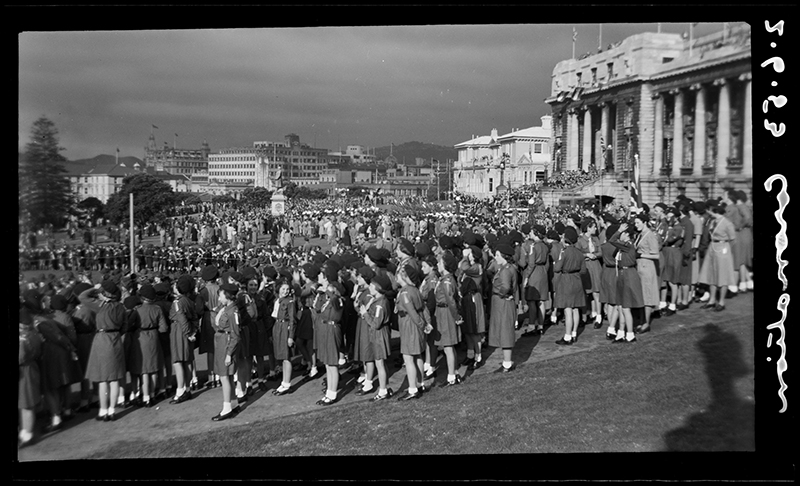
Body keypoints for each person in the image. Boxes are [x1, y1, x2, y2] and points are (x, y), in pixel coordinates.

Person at [82, 280, 127, 421]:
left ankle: (103, 410)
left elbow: (82, 297)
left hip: (101, 339)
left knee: (103, 380)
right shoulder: (120, 307)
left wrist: (94, 289)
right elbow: (124, 327)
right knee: (114, 379)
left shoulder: (100, 306)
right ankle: (112, 410)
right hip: (115, 338)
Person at [395, 264, 431, 400]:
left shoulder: (404, 293)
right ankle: (420, 383)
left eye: (398, 275)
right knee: (418, 356)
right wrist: (426, 323)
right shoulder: (414, 290)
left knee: (408, 357)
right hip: (415, 325)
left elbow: (412, 313)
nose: (396, 278)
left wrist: (423, 325)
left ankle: (412, 389)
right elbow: (423, 308)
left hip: (409, 325)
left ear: (404, 277)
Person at [128, 284, 168, 407]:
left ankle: (145, 397)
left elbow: (129, 325)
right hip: (154, 337)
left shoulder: (137, 310)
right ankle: (152, 394)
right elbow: (163, 328)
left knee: (144, 370)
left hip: (140, 338)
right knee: (154, 368)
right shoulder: (157, 309)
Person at [358, 272, 394, 401]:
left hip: (379, 336)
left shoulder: (380, 304)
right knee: (380, 363)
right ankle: (384, 388)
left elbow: (376, 324)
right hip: (377, 335)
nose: (370, 288)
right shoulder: (378, 301)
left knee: (380, 363)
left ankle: (383, 390)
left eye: (373, 286)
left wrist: (365, 314)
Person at [210, 282, 242, 421]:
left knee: (224, 376)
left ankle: (226, 407)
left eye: (221, 296)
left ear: (227, 296)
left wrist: (229, 353)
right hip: (222, 340)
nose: (219, 299)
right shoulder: (226, 309)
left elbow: (235, 335)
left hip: (226, 343)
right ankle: (233, 403)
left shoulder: (232, 311)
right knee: (227, 376)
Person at [312, 266, 345, 405]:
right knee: (327, 363)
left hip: (332, 328)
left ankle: (333, 393)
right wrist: (319, 293)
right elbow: (317, 308)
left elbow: (335, 303)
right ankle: (329, 392)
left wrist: (327, 290)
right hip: (324, 328)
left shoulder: (337, 298)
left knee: (332, 363)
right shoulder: (325, 297)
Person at [698, 203, 737, 311]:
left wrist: (726, 249)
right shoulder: (713, 221)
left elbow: (733, 239)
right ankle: (712, 300)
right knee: (711, 274)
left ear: (714, 212)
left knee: (722, 275)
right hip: (712, 247)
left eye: (710, 211)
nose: (708, 213)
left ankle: (721, 302)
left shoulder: (727, 223)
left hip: (723, 248)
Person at [607, 223, 643, 343]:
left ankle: (630, 334)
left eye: (622, 233)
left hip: (628, 275)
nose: (620, 235)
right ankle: (621, 333)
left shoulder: (628, 246)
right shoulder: (624, 247)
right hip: (623, 275)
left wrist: (619, 230)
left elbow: (611, 240)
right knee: (621, 306)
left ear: (627, 234)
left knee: (626, 307)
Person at [488, 241, 519, 370]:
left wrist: (500, 293)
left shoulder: (506, 270)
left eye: (497, 255)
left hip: (503, 302)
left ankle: (507, 362)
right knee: (504, 329)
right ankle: (506, 361)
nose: (495, 257)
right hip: (504, 302)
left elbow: (505, 287)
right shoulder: (508, 267)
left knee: (505, 330)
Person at [169, 274, 198, 404]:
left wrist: (187, 333)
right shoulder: (189, 301)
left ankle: (180, 391)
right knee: (187, 361)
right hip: (188, 330)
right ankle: (186, 388)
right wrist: (193, 332)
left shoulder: (178, 302)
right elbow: (195, 318)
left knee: (178, 361)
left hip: (179, 332)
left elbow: (181, 318)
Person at [554, 228, 586, 345]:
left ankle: (567, 336)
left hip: (566, 279)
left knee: (568, 309)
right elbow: (583, 270)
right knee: (575, 308)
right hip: (577, 279)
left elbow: (557, 268)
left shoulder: (564, 251)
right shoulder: (579, 252)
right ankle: (574, 333)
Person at [434, 255, 462, 386]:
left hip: (446, 313)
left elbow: (451, 301)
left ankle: (451, 376)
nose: (438, 264)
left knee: (448, 346)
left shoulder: (446, 281)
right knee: (449, 346)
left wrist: (456, 317)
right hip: (443, 312)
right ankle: (454, 372)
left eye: (440, 263)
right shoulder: (446, 279)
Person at [458, 245, 486, 369]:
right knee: (468, 330)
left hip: (473, 298)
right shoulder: (470, 267)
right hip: (466, 299)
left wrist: (465, 256)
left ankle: (478, 357)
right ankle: (470, 355)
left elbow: (463, 267)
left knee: (474, 331)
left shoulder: (477, 267)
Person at [19, 307, 44, 448]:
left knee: (26, 403)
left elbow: (20, 357)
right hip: (32, 367)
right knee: (27, 402)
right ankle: (25, 431)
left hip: (24, 370)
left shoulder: (22, 337)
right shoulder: (33, 332)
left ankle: (27, 434)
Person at [634, 213, 660, 333]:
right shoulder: (640, 234)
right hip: (640, 266)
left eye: (638, 223)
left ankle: (646, 323)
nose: (636, 225)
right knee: (642, 295)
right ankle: (642, 321)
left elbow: (656, 255)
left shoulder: (650, 236)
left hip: (647, 267)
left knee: (648, 295)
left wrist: (641, 255)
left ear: (644, 223)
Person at [271, 280, 297, 396]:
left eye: (287, 289)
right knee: (282, 356)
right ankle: (284, 381)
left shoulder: (290, 302)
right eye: (283, 289)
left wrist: (290, 336)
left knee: (286, 357)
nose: (285, 291)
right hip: (278, 326)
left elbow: (292, 320)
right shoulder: (277, 300)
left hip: (285, 327)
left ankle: (287, 383)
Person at [576, 218, 602, 328]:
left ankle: (598, 316)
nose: (595, 228)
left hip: (595, 266)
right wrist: (586, 255)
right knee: (585, 292)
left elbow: (601, 252)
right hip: (585, 267)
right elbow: (577, 253)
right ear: (588, 228)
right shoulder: (580, 240)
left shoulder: (596, 239)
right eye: (593, 227)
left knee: (596, 291)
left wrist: (595, 255)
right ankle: (585, 315)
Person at [198, 265, 221, 389]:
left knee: (210, 349)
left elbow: (200, 309)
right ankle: (219, 375)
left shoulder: (203, 291)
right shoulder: (220, 288)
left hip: (208, 318)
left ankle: (211, 376)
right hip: (219, 316)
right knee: (219, 346)